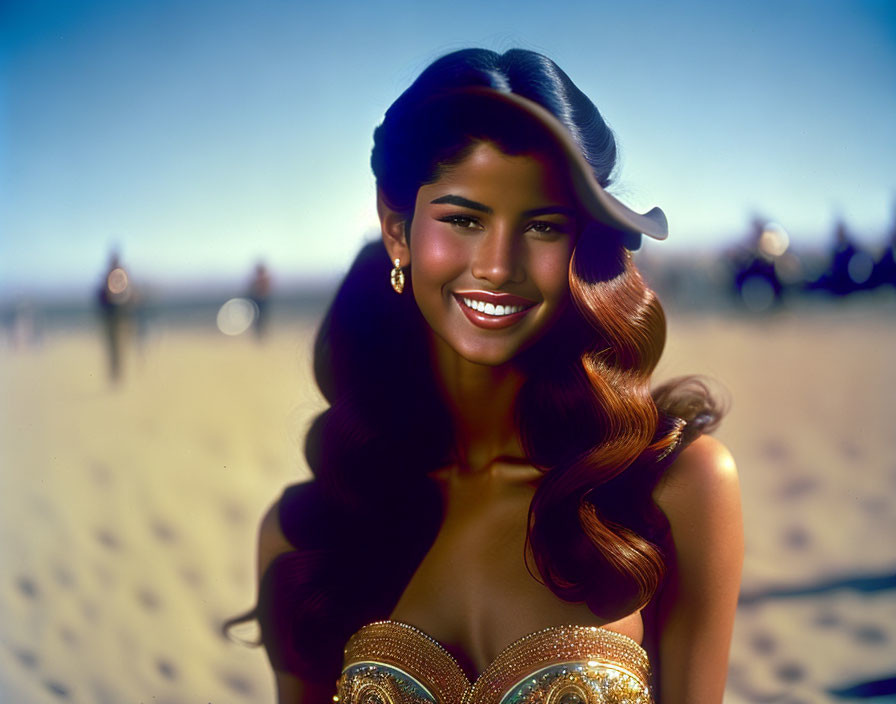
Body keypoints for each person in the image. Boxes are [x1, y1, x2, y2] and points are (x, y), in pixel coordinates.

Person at [231, 48, 742, 704]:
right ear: (396, 228)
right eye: (464, 220)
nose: (498, 266)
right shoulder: (313, 529)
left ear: (581, 247)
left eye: (543, 225)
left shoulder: (674, 488)